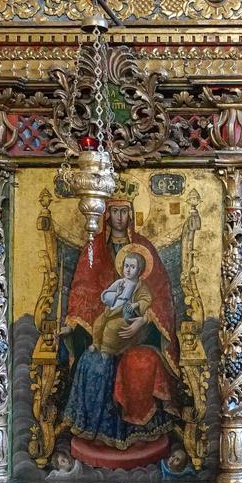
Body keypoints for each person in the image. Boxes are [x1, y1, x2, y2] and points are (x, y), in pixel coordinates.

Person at [58, 198, 181, 466]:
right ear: (106, 214)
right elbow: (83, 290)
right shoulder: (95, 248)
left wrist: (142, 321)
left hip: (140, 335)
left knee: (139, 364)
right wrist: (76, 323)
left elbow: (159, 297)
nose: (119, 217)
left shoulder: (143, 248)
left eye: (124, 211)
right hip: (100, 332)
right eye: (114, 211)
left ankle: (138, 432)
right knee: (92, 364)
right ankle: (96, 435)